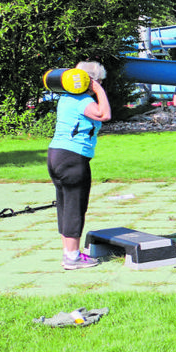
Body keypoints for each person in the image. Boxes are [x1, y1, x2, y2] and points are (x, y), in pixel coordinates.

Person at [47, 61, 112, 270]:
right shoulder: (81, 100)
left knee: (66, 206)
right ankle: (73, 257)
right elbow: (105, 114)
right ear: (90, 81)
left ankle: (69, 253)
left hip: (57, 155)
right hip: (72, 157)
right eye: (99, 80)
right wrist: (99, 90)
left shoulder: (66, 98)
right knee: (75, 206)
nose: (101, 83)